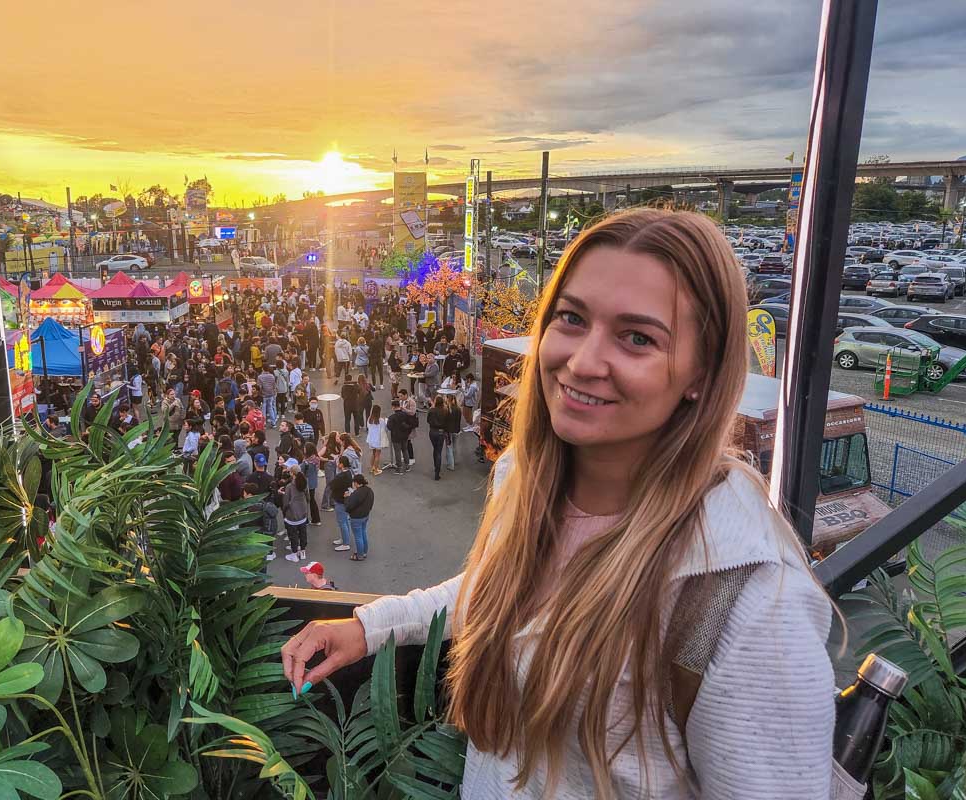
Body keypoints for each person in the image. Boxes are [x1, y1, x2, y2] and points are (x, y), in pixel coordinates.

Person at [280, 209, 838, 799]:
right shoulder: (525, 479)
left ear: (701, 372)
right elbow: (500, 589)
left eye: (638, 337)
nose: (583, 361)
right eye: (572, 318)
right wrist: (370, 627)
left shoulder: (750, 598)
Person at [343, 473, 374, 562]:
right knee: (363, 533)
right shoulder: (369, 490)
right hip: (365, 515)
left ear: (356, 483)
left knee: (358, 536)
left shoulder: (356, 493)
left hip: (356, 518)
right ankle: (364, 552)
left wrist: (346, 498)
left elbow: (348, 506)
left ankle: (359, 555)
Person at [327, 455, 354, 554]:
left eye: (338, 462)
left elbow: (331, 485)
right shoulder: (348, 473)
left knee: (342, 522)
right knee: (344, 521)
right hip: (345, 500)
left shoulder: (341, 476)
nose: (337, 464)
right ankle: (344, 539)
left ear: (341, 464)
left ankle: (345, 543)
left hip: (340, 501)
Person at [281, 470, 309, 562]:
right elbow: (308, 498)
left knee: (293, 535)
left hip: (292, 515)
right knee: (302, 533)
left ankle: (294, 554)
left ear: (293, 475)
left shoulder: (289, 487)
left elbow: (285, 502)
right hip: (303, 513)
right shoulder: (304, 484)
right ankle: (303, 551)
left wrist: (284, 511)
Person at [385, 399, 413, 474]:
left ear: (393, 407)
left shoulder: (392, 417)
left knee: (397, 452)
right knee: (405, 450)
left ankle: (399, 468)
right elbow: (410, 424)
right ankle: (407, 466)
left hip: (396, 436)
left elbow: (389, 427)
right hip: (405, 436)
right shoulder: (405, 415)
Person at [426, 395, 450, 481]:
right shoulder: (445, 411)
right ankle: (437, 472)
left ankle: (435, 466)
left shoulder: (432, 410)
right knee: (439, 451)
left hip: (432, 431)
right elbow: (447, 423)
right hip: (441, 432)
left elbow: (428, 420)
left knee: (435, 449)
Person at [365, 404, 389, 476]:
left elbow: (368, 427)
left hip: (371, 439)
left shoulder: (369, 418)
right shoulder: (380, 420)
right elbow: (385, 429)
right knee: (377, 455)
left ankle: (372, 467)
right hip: (378, 440)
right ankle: (376, 470)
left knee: (373, 453)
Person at [444, 394, 462, 472]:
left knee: (449, 447)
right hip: (457, 430)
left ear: (448, 399)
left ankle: (451, 465)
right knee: (455, 446)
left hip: (449, 431)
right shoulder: (458, 409)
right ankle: (455, 460)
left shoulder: (447, 409)